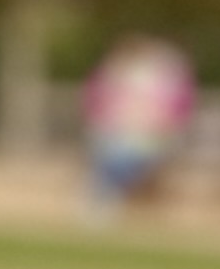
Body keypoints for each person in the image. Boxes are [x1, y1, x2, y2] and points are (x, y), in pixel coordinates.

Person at [82, 33, 195, 212]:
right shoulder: (115, 74)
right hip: (119, 134)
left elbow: (176, 112)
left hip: (150, 137)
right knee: (110, 154)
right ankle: (105, 199)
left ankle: (106, 199)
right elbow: (95, 104)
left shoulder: (162, 78)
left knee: (119, 158)